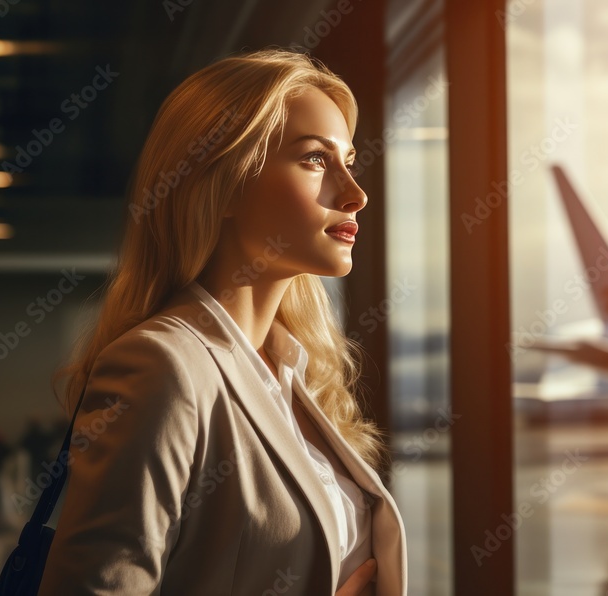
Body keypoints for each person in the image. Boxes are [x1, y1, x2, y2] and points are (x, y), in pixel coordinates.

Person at [38, 49, 406, 595]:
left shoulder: (290, 371)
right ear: (225, 180)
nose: (356, 193)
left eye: (348, 160)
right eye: (315, 160)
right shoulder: (161, 366)